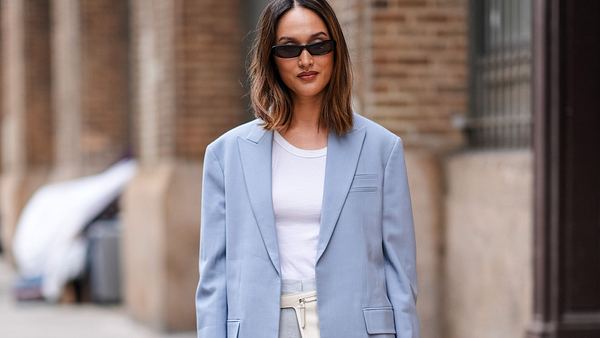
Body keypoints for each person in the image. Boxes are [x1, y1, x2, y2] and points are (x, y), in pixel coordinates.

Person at [195, 0, 420, 337]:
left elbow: (401, 274)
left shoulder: (381, 148)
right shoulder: (226, 155)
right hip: (263, 326)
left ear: (336, 51)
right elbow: (213, 278)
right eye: (289, 49)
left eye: (318, 45)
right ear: (270, 59)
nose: (306, 59)